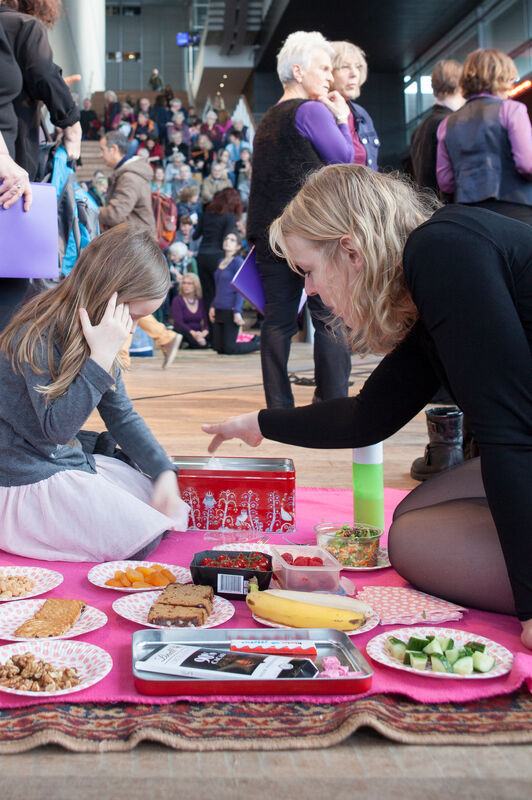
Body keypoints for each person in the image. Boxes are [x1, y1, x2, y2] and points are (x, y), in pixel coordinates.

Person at [202, 162, 532, 651]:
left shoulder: (443, 252)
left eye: (309, 271)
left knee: (416, 541)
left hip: (521, 441)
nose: (309, 289)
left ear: (351, 251)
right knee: (416, 515)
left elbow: (510, 433)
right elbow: (368, 416)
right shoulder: (435, 261)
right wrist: (257, 422)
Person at [0, 224, 189, 561]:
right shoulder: (36, 335)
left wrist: (162, 470)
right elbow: (56, 430)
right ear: (107, 295)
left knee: (153, 509)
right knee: (137, 538)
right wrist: (100, 359)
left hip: (59, 459)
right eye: (133, 316)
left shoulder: (98, 335)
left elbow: (122, 415)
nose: (131, 329)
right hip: (24, 473)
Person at [246, 30, 354, 409]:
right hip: (311, 232)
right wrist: (342, 119)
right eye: (323, 68)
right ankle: (332, 403)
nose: (330, 77)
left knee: (277, 322)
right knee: (328, 317)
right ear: (297, 70)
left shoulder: (266, 120)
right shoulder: (310, 111)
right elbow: (344, 159)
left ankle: (279, 407)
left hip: (269, 233)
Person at [98, 131, 180, 369]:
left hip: (133, 245)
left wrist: (89, 207)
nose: (100, 155)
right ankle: (165, 338)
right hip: (133, 244)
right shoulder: (130, 174)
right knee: (125, 298)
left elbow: (115, 213)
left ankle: (121, 359)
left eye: (102, 149)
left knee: (123, 299)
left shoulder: (129, 177)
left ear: (115, 149)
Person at [436, 49, 532, 224]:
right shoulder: (512, 110)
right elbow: (527, 165)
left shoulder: (447, 123)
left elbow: (445, 182)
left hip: (470, 216)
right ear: (502, 77)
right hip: (517, 211)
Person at [409, 60, 464, 196]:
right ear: (461, 84)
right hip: (444, 203)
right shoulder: (450, 123)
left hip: (426, 203)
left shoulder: (419, 128)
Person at [331, 40, 380, 170]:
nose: (354, 74)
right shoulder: (317, 112)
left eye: (358, 67)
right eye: (345, 67)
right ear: (327, 72)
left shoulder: (361, 114)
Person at [209, 232, 260, 355]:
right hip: (219, 308)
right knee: (218, 348)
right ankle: (252, 340)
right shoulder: (220, 261)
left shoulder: (238, 261)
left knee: (229, 349)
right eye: (226, 238)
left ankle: (260, 344)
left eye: (232, 240)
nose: (227, 241)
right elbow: (218, 287)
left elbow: (241, 289)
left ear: (238, 246)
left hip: (230, 310)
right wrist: (212, 306)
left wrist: (237, 311)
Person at [194, 187, 242, 310]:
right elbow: (225, 238)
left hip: (202, 256)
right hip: (217, 257)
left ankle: (209, 322)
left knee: (207, 293)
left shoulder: (205, 214)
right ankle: (219, 321)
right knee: (220, 292)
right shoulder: (230, 217)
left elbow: (195, 236)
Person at [171, 273, 209, 350]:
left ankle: (196, 343)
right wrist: (193, 333)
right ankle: (197, 344)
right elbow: (178, 322)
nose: (186, 286)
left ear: (196, 286)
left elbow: (206, 322)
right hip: (185, 332)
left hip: (199, 333)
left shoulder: (201, 301)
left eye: (189, 283)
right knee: (178, 330)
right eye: (184, 283)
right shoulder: (177, 300)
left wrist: (203, 334)